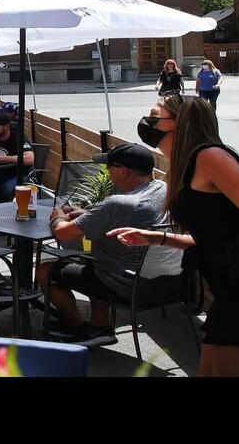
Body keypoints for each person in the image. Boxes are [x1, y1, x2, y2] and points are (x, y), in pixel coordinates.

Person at [108, 94, 239, 376]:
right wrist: (155, 238)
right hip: (232, 293)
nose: (147, 122)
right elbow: (212, 240)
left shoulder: (210, 157)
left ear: (182, 122)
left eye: (155, 116)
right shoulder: (185, 167)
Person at [40, 143, 183, 346]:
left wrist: (58, 216)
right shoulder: (165, 190)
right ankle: (99, 326)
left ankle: (78, 327)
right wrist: (90, 217)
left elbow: (63, 234)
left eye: (110, 167)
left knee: (46, 269)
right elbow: (129, 218)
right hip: (172, 284)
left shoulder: (120, 204)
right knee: (100, 254)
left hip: (131, 288)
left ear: (124, 171)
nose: (107, 171)